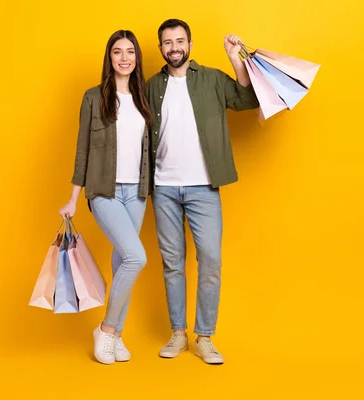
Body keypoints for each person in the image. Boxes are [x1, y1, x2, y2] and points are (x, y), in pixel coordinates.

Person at [146, 19, 259, 364]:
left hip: (203, 187)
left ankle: (205, 337)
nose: (174, 47)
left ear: (190, 45)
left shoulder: (210, 79)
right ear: (161, 48)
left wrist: (235, 57)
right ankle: (178, 333)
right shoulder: (151, 85)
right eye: (168, 42)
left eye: (180, 41)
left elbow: (246, 99)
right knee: (172, 263)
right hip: (163, 187)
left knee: (210, 260)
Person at [59, 29, 153, 365]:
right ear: (109, 57)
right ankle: (107, 330)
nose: (124, 58)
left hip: (137, 193)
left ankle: (116, 335)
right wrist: (73, 197)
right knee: (136, 258)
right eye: (117, 52)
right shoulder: (93, 97)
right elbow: (82, 150)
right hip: (104, 191)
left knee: (121, 263)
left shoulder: (144, 97)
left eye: (130, 52)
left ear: (137, 58)